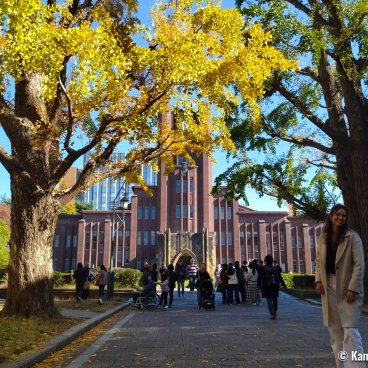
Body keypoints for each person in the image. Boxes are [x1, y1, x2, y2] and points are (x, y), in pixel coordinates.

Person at [315, 204, 365, 368]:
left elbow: (359, 265)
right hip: (328, 285)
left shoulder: (353, 238)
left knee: (351, 330)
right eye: (337, 214)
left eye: (343, 215)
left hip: (346, 286)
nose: (340, 218)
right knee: (335, 331)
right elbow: (318, 262)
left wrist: (353, 288)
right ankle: (342, 365)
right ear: (331, 216)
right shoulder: (323, 238)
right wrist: (318, 280)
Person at [259, 255, 286, 320]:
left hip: (267, 286)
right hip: (275, 286)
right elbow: (280, 277)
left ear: (265, 261)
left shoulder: (263, 268)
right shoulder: (276, 268)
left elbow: (259, 277)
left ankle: (272, 314)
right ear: (272, 261)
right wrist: (284, 285)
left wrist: (259, 285)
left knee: (269, 300)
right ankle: (275, 313)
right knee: (275, 300)